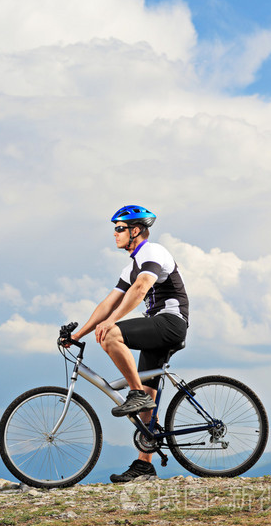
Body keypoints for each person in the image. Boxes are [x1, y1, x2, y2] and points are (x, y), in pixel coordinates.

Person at [70, 205, 189, 483]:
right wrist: (77, 335)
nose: (115, 234)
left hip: (170, 322)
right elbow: (107, 303)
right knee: (148, 397)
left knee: (112, 336)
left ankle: (136, 393)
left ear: (135, 230)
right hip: (158, 327)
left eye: (119, 228)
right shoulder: (130, 266)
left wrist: (111, 322)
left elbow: (141, 288)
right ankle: (144, 465)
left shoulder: (152, 251)